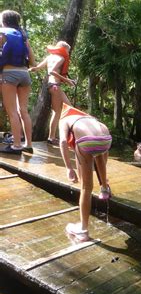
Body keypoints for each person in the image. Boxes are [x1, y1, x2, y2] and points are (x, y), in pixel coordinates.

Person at [58, 103, 112, 242]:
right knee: (99, 155)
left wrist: (69, 168)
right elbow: (97, 138)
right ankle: (104, 188)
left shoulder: (64, 119)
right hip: (106, 138)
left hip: (87, 141)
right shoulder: (85, 117)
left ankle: (83, 230)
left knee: (86, 187)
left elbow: (63, 141)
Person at [0, 10, 35, 154]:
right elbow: (32, 61)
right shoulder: (23, 35)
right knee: (23, 111)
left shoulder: (3, 33)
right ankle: (28, 144)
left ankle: (16, 145)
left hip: (9, 74)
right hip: (25, 74)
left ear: (4, 21)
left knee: (12, 111)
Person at [29, 41, 75, 145]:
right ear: (64, 49)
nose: (68, 53)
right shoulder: (61, 58)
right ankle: (54, 137)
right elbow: (52, 71)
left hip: (51, 85)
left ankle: (52, 137)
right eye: (68, 51)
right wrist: (68, 81)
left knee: (61, 111)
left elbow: (37, 68)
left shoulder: (50, 57)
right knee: (65, 110)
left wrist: (29, 69)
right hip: (55, 86)